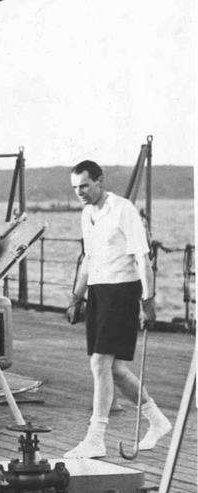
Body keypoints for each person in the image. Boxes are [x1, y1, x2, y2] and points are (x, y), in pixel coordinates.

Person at [64, 160, 172, 457]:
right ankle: (157, 421)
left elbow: (143, 259)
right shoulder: (87, 214)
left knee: (99, 364)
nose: (80, 192)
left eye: (84, 185)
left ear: (100, 181)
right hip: (99, 291)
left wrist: (147, 301)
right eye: (75, 188)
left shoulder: (123, 209)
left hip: (124, 291)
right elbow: (88, 259)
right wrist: (77, 297)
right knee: (115, 369)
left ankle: (95, 439)